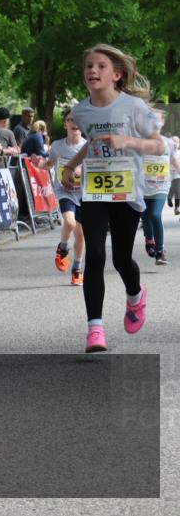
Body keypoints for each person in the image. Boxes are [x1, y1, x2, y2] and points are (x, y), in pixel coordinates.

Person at [59, 44, 164, 353]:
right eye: (89, 66)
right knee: (95, 255)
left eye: (101, 66)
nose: (93, 70)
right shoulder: (81, 110)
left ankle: (135, 294)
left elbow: (159, 147)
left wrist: (128, 141)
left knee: (120, 259)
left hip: (127, 191)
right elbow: (91, 144)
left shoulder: (133, 107)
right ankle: (95, 329)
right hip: (94, 192)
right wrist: (71, 166)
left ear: (116, 75)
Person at [39, 109, 86, 285]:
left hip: (83, 193)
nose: (74, 123)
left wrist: (79, 170)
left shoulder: (87, 145)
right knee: (70, 222)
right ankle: (63, 247)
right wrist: (39, 164)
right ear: (65, 124)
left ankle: (77, 269)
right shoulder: (58, 146)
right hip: (64, 191)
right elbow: (49, 163)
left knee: (81, 235)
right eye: (69, 120)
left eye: (77, 120)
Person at [139, 113, 177, 265]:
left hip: (161, 186)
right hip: (142, 187)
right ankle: (149, 240)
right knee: (145, 218)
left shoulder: (168, 143)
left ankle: (160, 252)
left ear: (162, 123)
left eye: (158, 120)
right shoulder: (140, 143)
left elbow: (174, 161)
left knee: (155, 216)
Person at [169, 135, 180, 217]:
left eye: (176, 142)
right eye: (173, 142)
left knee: (177, 190)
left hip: (177, 174)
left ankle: (177, 207)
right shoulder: (166, 152)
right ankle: (169, 197)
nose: (175, 144)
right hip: (168, 174)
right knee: (172, 188)